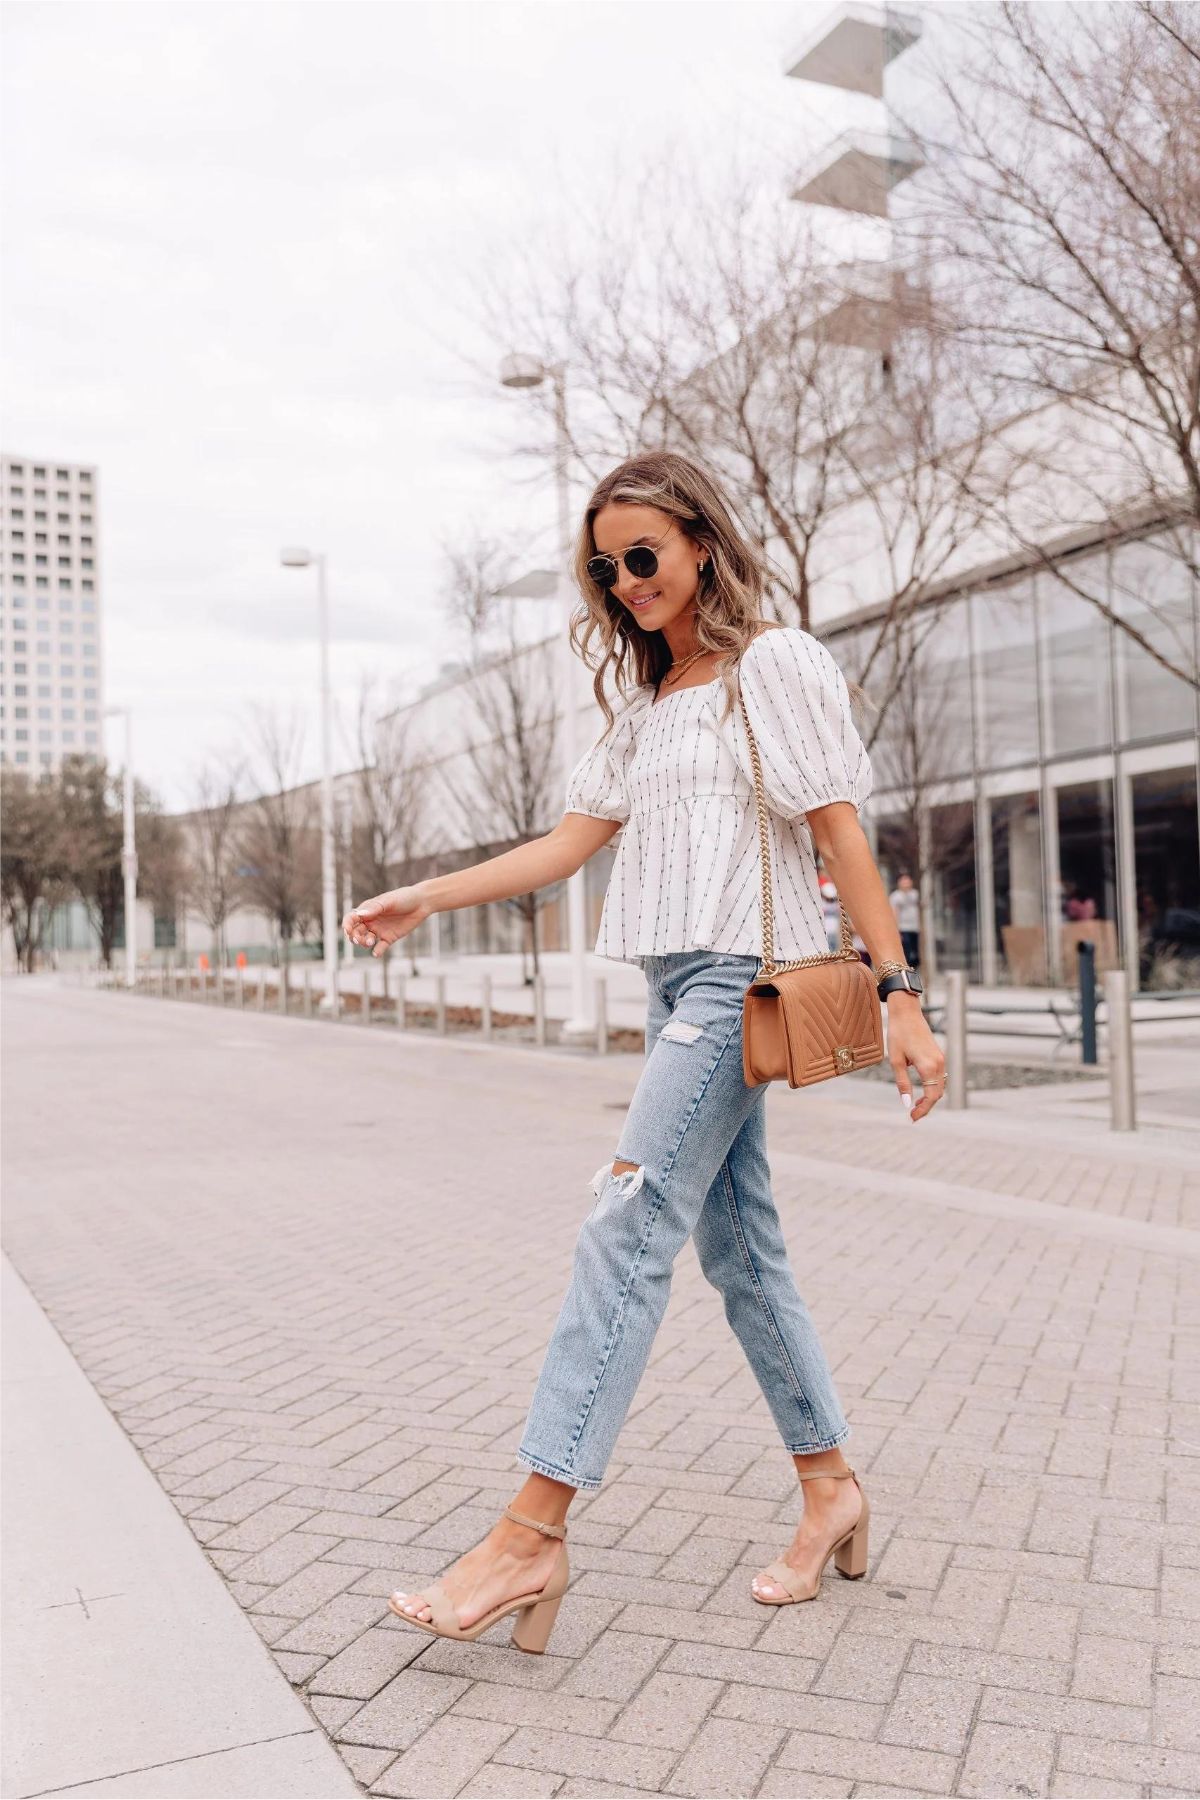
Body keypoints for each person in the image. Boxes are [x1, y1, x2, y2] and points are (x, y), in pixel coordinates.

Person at [343, 450, 946, 1655]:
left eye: (643, 557)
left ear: (701, 546)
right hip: (680, 985)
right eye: (604, 567)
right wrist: (429, 893)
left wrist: (903, 994)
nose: (625, 583)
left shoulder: (773, 665)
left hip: (740, 984)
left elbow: (840, 830)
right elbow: (566, 847)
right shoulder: (643, 706)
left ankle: (531, 1534)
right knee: (741, 1250)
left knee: (626, 1223)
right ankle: (832, 1491)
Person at [889, 871, 921, 969]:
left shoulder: (915, 894)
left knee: (915, 956)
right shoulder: (896, 896)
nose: (906, 883)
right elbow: (894, 913)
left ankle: (914, 976)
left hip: (914, 928)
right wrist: (896, 930)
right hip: (903, 928)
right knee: (907, 955)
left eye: (908, 880)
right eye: (904, 880)